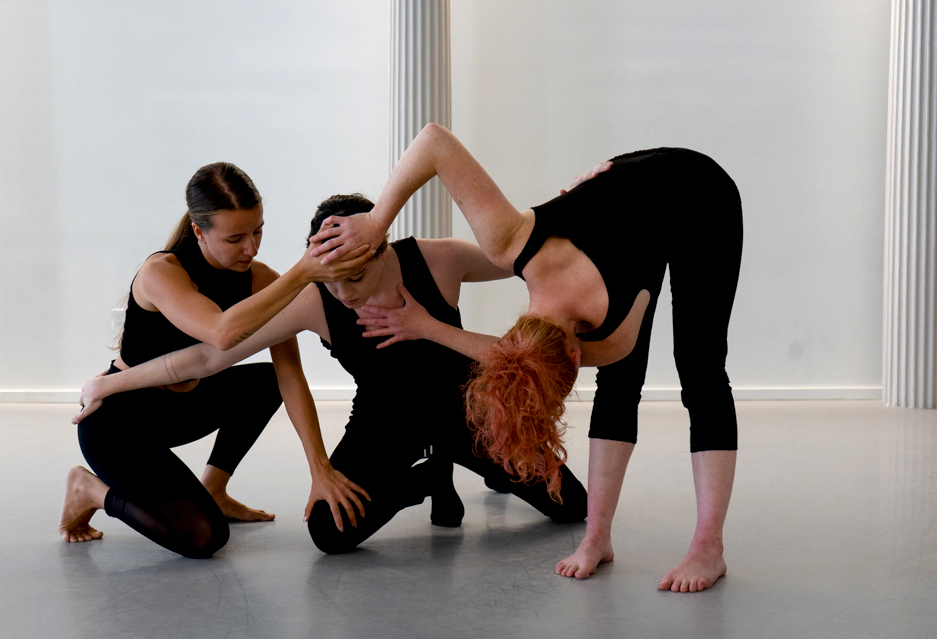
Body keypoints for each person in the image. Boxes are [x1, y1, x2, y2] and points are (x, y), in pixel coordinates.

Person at [310, 124, 742, 592]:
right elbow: (433, 141)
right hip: (630, 198)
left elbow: (434, 141)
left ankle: (708, 548)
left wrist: (377, 222)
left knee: (699, 369)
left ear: (575, 359)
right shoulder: (509, 239)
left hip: (702, 196)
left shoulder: (611, 337)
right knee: (620, 384)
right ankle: (597, 537)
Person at [74, 193, 588, 554]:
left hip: (465, 412)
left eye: (356, 276)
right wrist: (111, 383)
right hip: (383, 423)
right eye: (333, 279)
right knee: (329, 532)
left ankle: (460, 458)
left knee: (571, 507)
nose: (345, 293)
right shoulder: (313, 300)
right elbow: (208, 356)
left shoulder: (438, 259)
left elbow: (522, 254)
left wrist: (568, 207)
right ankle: (429, 478)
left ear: (381, 247)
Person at [59, 163, 374, 558]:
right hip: (121, 421)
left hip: (187, 406)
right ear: (198, 231)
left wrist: (320, 469)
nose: (251, 248)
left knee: (266, 381)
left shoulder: (259, 279)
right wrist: (302, 274)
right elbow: (220, 332)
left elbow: (290, 374)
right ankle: (90, 490)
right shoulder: (162, 272)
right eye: (235, 238)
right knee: (203, 538)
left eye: (258, 230)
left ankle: (215, 487)